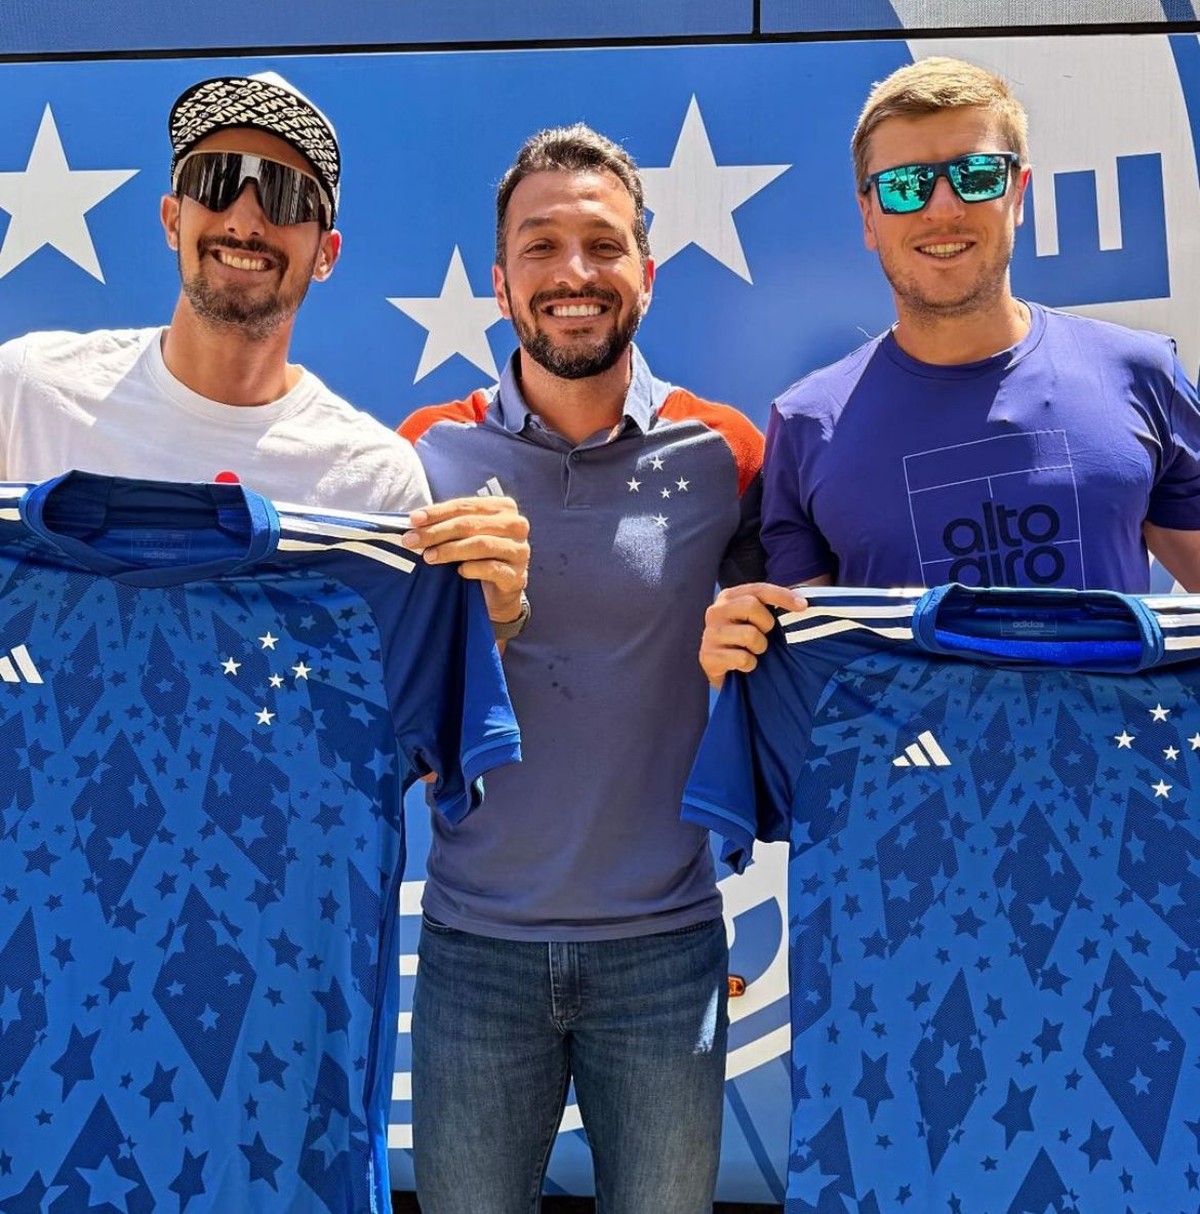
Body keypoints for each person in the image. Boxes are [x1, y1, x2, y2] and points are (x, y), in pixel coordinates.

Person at [396, 123, 766, 1214]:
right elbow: (391, 708)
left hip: (667, 955)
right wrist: (491, 626)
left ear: (645, 273)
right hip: (475, 949)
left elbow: (791, 682)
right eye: (541, 245)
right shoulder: (421, 452)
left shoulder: (728, 453)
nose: (573, 273)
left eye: (602, 245)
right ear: (503, 281)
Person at [700, 55, 1200, 690]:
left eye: (975, 174)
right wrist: (738, 660)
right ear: (868, 217)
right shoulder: (806, 424)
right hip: (906, 787)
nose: (943, 207)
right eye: (906, 184)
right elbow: (804, 682)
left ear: (1018, 195)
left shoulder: (1141, 376)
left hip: (1111, 781)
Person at [0, 70, 530, 629]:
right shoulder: (26, 393)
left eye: (284, 194)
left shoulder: (375, 480)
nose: (244, 221)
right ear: (172, 218)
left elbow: (405, 702)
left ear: (326, 253)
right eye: (216, 179)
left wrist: (497, 617)